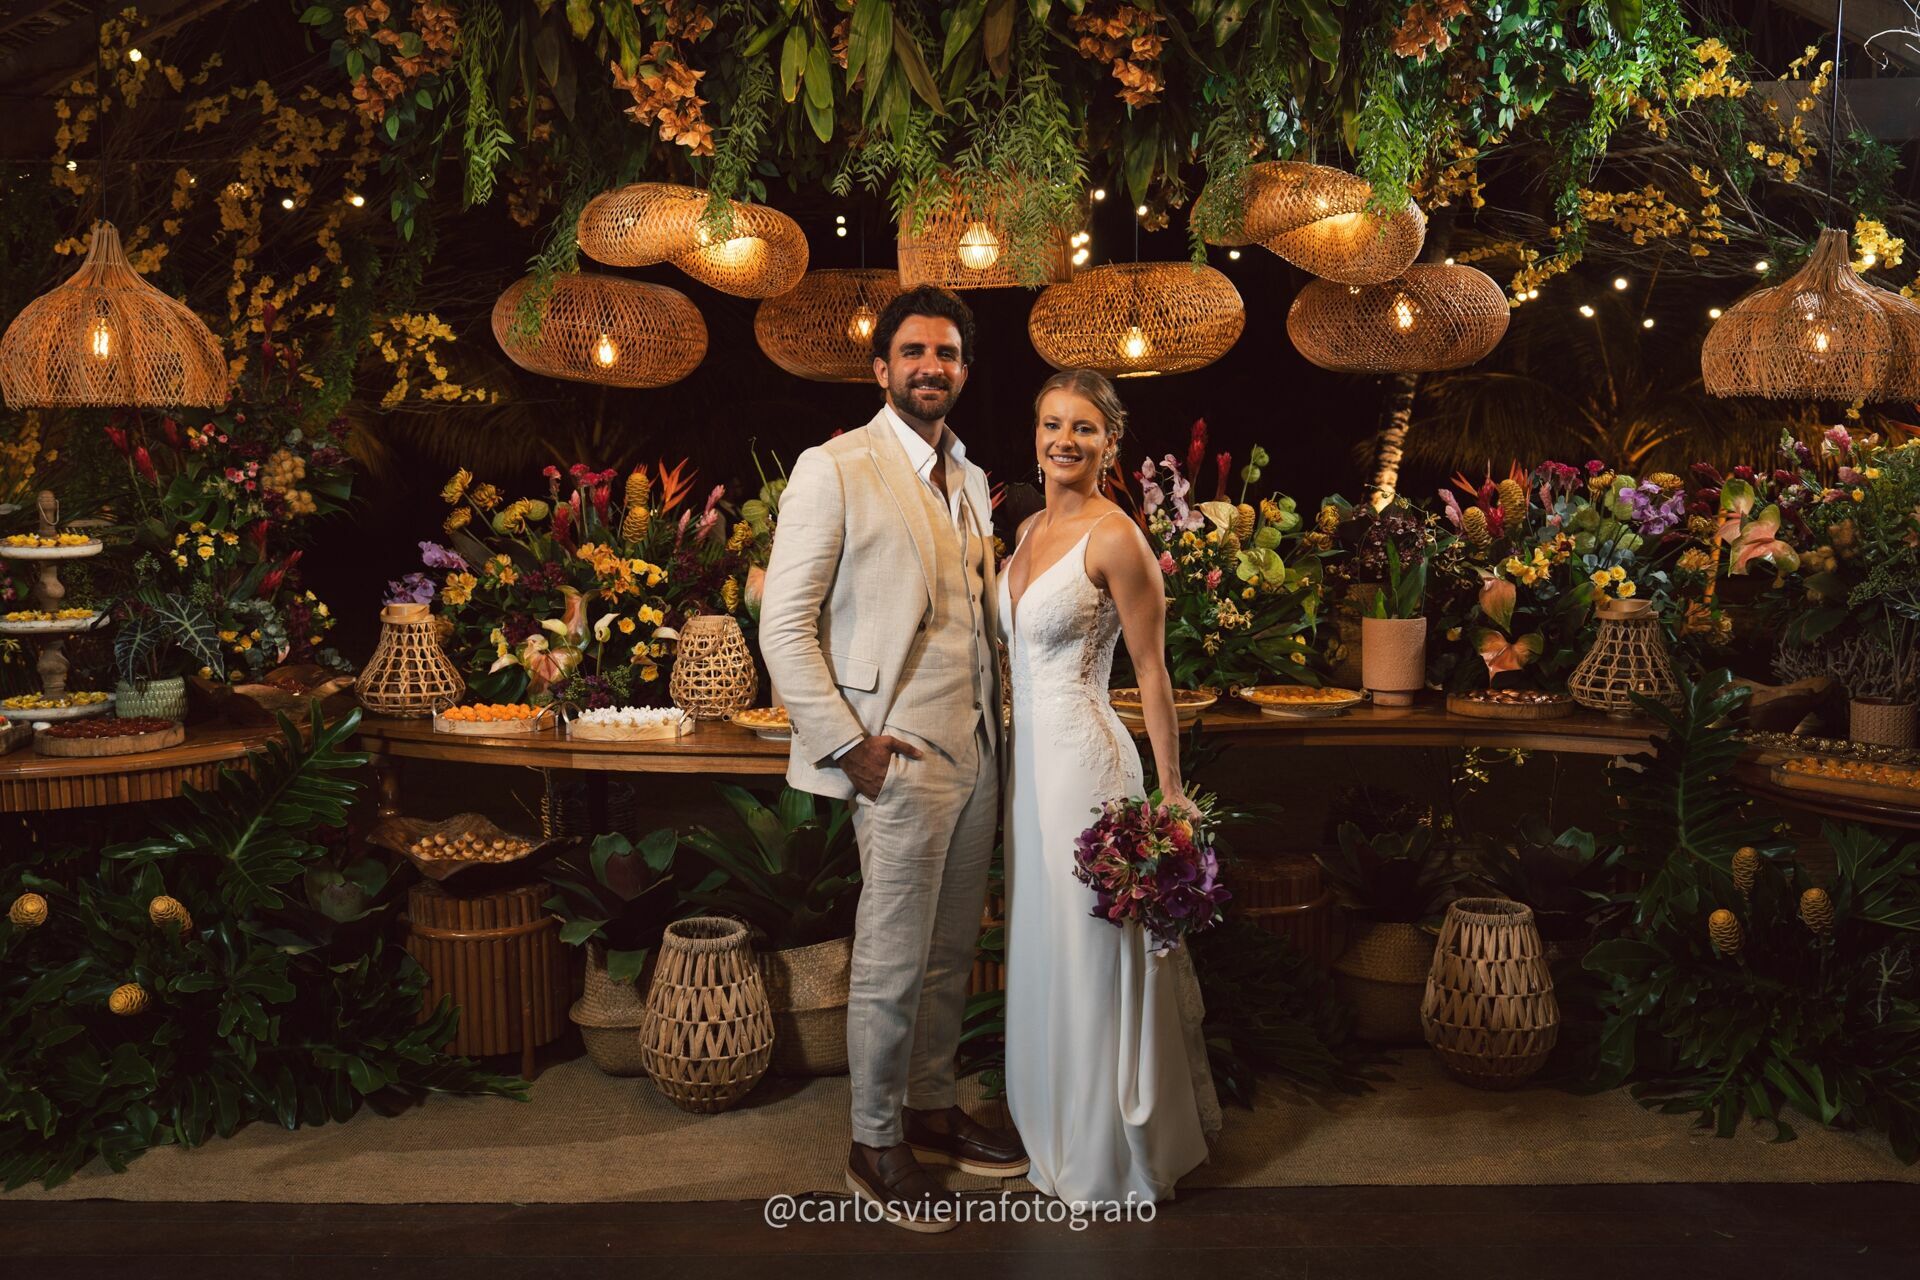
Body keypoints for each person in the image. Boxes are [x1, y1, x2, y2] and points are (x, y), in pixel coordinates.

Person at [759, 285, 1028, 1233]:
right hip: (898, 755)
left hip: (979, 749)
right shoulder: (834, 469)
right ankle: (873, 1140)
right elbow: (784, 627)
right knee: (889, 954)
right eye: (913, 352)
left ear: (963, 369)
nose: (931, 368)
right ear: (882, 369)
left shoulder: (969, 473)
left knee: (953, 950)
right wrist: (848, 746)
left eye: (948, 354)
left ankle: (926, 1106)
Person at [999, 369, 1222, 1206]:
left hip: (1088, 767)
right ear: (1036, 433)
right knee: (1043, 941)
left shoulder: (1116, 536)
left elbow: (1154, 672)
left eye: (1084, 429)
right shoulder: (1024, 533)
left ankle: (1103, 1149)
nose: (1065, 440)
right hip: (1028, 775)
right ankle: (1047, 1123)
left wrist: (1170, 793)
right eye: (1052, 423)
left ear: (1110, 444)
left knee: (1091, 950)